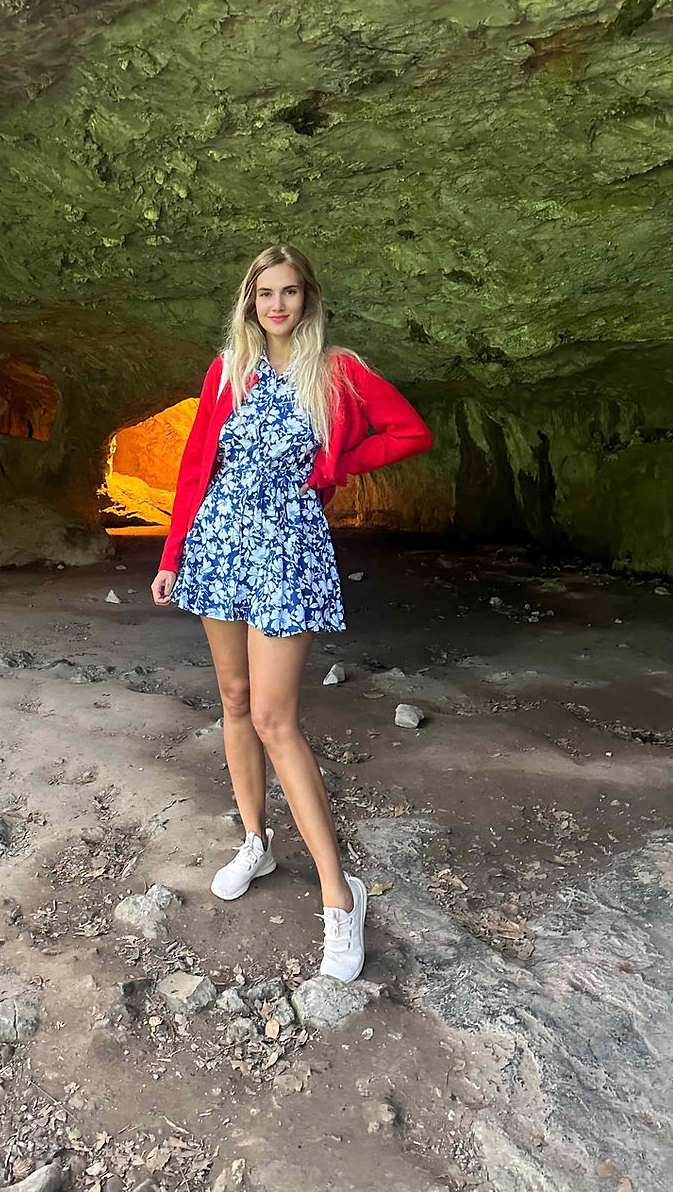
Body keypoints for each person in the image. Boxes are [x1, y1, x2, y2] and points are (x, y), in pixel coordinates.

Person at [149, 243, 433, 981]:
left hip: (288, 548)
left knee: (277, 717)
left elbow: (410, 432)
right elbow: (194, 468)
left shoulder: (337, 369)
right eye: (264, 293)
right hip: (218, 541)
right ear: (250, 301)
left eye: (290, 292)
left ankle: (342, 898)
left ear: (308, 298)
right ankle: (255, 841)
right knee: (235, 701)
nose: (277, 305)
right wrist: (173, 554)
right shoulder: (227, 371)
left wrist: (337, 466)